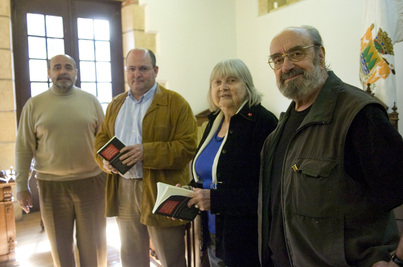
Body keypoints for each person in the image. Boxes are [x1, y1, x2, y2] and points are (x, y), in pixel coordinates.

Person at [258, 25, 403, 266]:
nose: (286, 66)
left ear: (321, 55)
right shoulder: (278, 131)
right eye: (277, 59)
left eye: (296, 53)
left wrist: (397, 261)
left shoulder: (358, 115)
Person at [94, 48, 198, 267]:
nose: (136, 74)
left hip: (161, 189)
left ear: (155, 70)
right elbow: (101, 139)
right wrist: (104, 161)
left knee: (171, 258)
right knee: (131, 258)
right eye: (131, 69)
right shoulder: (116, 105)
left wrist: (146, 152)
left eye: (143, 68)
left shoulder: (176, 103)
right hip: (123, 190)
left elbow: (187, 147)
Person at [15, 54, 107, 267]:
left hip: (91, 184)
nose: (62, 71)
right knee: (60, 249)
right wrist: (21, 186)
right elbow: (23, 148)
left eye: (68, 67)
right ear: (49, 73)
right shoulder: (34, 105)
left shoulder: (91, 101)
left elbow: (105, 143)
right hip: (51, 187)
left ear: (75, 72)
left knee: (94, 247)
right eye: (57, 67)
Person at [186, 59, 278, 267]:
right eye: (217, 82)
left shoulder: (263, 123)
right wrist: (188, 193)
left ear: (247, 85)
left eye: (231, 80)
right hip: (212, 233)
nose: (223, 87)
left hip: (244, 239)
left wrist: (217, 200)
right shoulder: (213, 122)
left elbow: (270, 192)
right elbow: (209, 176)